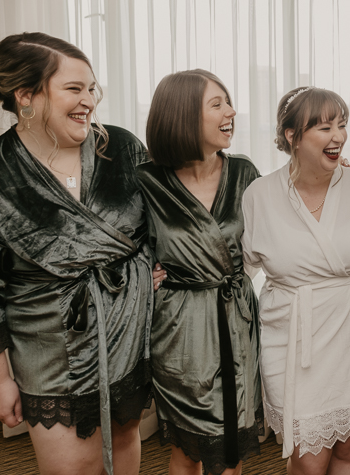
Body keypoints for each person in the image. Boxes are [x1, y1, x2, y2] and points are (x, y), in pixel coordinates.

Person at [0, 32, 153, 475]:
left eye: (92, 88)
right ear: (26, 96)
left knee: (126, 443)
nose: (89, 100)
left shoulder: (123, 148)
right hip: (50, 353)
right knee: (71, 467)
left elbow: (159, 221)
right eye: (74, 89)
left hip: (126, 338)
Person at [240, 86, 350, 475]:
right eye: (324, 127)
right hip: (291, 332)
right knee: (308, 456)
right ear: (292, 136)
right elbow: (235, 268)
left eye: (342, 125)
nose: (338, 136)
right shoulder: (259, 195)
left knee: (349, 446)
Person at [138, 69, 263, 475]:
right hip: (179, 326)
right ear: (183, 115)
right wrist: (143, 274)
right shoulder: (147, 180)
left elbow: (288, 214)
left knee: (233, 447)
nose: (231, 111)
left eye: (228, 101)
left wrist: (333, 176)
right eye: (218, 104)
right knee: (188, 447)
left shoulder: (244, 172)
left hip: (236, 316)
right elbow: (120, 242)